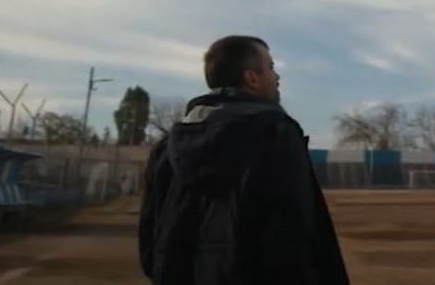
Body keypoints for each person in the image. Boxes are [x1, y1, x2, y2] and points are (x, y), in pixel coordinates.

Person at [139, 35, 349, 284]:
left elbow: (150, 243)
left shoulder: (167, 148)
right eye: (271, 68)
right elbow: (291, 239)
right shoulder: (274, 136)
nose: (277, 77)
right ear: (252, 78)